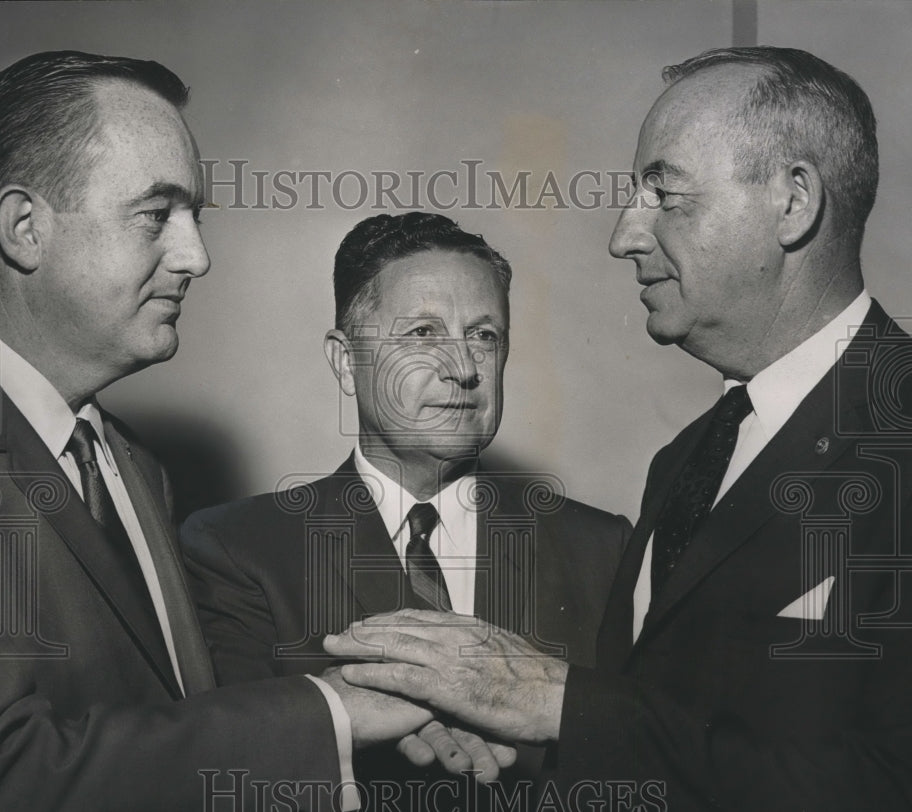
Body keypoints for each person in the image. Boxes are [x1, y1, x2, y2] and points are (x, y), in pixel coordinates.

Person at [325, 47, 912, 811]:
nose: (623, 235)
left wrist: (563, 705)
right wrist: (531, 744)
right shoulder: (686, 460)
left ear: (793, 202)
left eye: (663, 194)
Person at [0, 51, 460, 812]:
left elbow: (161, 722)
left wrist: (350, 702)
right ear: (23, 228)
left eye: (195, 218)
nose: (196, 257)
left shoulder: (129, 462)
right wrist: (329, 715)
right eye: (155, 215)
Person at [181, 212, 631, 797]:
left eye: (484, 335)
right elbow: (233, 767)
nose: (465, 369)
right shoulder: (237, 548)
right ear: (346, 361)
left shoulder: (602, 548)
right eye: (423, 334)